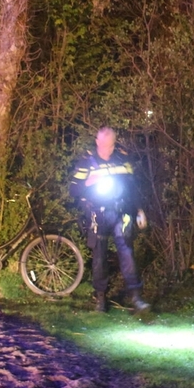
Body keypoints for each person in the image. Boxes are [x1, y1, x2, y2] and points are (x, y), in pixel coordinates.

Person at [69, 127, 149, 314]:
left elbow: (133, 188)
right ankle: (101, 299)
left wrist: (139, 210)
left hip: (121, 214)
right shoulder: (86, 162)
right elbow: (73, 190)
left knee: (127, 253)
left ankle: (136, 297)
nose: (106, 149)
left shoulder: (122, 159)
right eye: (103, 145)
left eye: (110, 145)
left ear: (114, 144)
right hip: (97, 215)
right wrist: (87, 182)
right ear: (97, 142)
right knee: (99, 257)